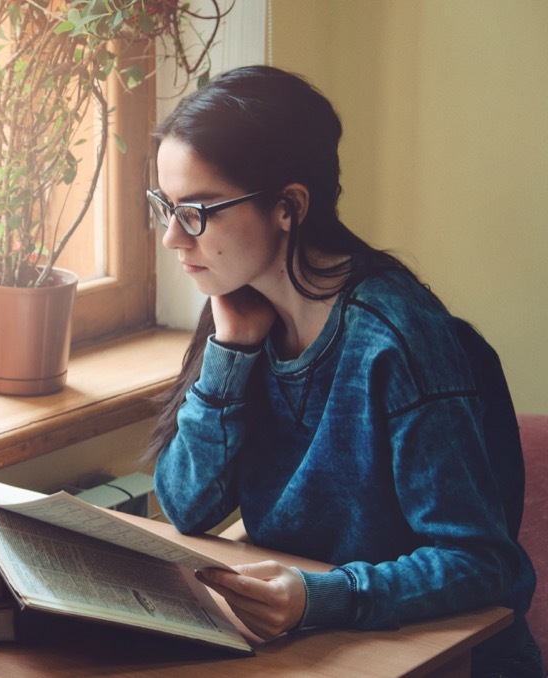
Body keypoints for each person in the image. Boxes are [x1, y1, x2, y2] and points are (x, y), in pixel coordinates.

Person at [147, 65, 543, 677]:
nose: (174, 237)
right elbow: (185, 507)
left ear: (289, 207)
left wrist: (320, 598)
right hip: (313, 650)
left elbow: (483, 563)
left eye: (198, 211)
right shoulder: (238, 309)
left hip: (437, 659)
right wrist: (230, 352)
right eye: (165, 207)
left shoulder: (396, 341)